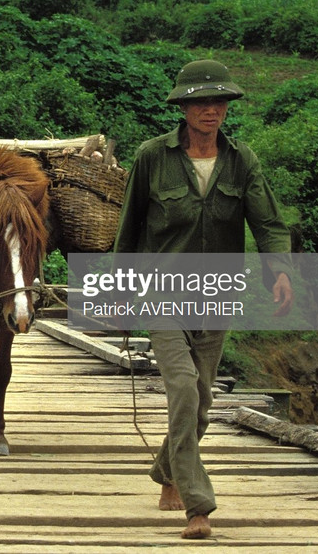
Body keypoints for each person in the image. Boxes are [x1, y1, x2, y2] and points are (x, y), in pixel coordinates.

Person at [113, 59, 293, 541]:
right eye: (200, 102)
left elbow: (268, 223)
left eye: (218, 102)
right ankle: (198, 506)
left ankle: (167, 470)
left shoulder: (241, 160)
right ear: (184, 107)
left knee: (204, 401)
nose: (210, 110)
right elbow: (128, 231)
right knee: (185, 388)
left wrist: (280, 272)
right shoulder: (152, 157)